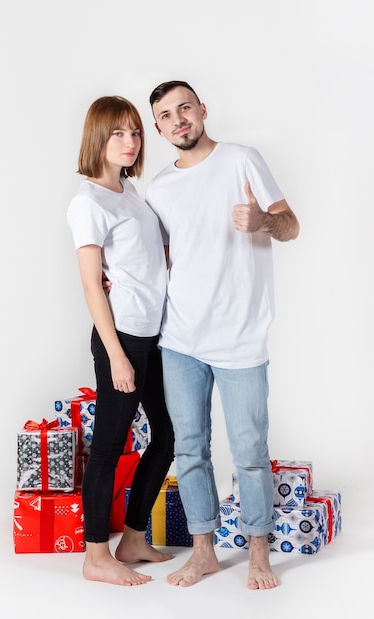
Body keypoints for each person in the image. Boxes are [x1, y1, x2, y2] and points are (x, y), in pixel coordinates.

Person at [145, 80, 300, 590]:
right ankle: (205, 551)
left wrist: (262, 220)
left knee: (250, 448)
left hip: (240, 337)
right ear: (160, 128)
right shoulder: (160, 187)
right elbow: (164, 258)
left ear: (202, 110)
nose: (178, 120)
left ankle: (259, 554)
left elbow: (291, 225)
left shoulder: (241, 159)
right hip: (181, 337)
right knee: (190, 448)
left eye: (184, 108)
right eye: (165, 115)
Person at [67, 96, 175, 586]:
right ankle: (95, 557)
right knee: (109, 446)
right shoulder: (87, 201)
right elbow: (92, 284)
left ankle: (133, 537)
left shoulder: (130, 191)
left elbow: (149, 261)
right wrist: (116, 356)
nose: (131, 142)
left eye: (135, 133)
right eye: (119, 134)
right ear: (99, 138)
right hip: (123, 338)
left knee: (167, 436)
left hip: (152, 334)